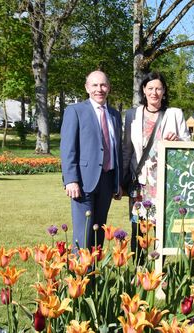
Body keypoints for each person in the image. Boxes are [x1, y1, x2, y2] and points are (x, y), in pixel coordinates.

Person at [122, 71, 190, 257]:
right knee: (139, 226)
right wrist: (122, 181)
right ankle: (139, 268)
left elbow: (188, 146)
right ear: (144, 90)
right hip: (140, 180)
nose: (154, 92)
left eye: (158, 88)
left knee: (161, 225)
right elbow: (127, 149)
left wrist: (177, 141)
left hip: (165, 182)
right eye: (150, 88)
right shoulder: (132, 115)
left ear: (164, 91)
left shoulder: (174, 114)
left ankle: (159, 268)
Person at [61, 70, 123, 250]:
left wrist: (117, 182)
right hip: (83, 182)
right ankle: (79, 276)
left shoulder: (114, 115)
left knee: (99, 233)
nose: (99, 89)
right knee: (83, 233)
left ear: (109, 88)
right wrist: (71, 180)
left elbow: (116, 149)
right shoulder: (75, 111)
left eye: (103, 85)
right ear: (87, 88)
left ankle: (94, 277)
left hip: (107, 180)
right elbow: (67, 148)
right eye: (95, 85)